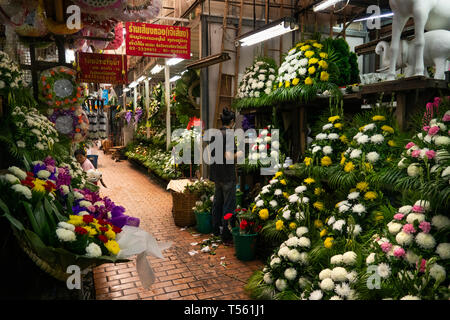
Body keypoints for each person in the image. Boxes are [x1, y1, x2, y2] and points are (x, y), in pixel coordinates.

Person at [209, 108, 243, 244]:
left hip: (217, 174)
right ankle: (227, 235)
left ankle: (216, 230)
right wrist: (239, 154)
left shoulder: (215, 134)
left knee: (217, 203)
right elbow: (228, 156)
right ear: (232, 121)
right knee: (228, 205)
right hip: (227, 175)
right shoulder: (228, 135)